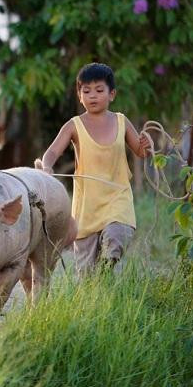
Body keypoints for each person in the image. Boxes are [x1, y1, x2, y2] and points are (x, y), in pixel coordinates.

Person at [36, 63, 152, 273]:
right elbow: (52, 152)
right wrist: (47, 166)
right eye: (86, 91)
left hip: (117, 198)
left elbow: (141, 152)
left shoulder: (122, 121)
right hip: (87, 208)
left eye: (99, 90)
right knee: (86, 275)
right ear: (79, 96)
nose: (92, 96)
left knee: (116, 237)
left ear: (112, 94)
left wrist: (146, 145)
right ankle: (100, 284)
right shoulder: (74, 125)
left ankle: (107, 268)